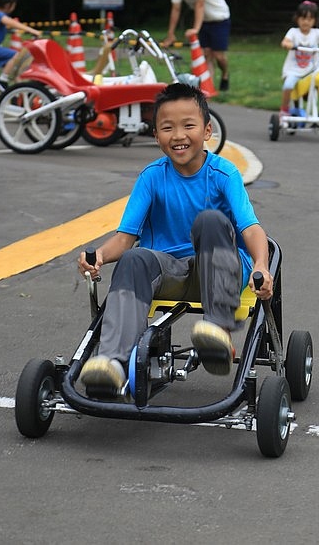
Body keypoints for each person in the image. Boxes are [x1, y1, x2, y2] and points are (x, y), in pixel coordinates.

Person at [78, 82, 273, 397]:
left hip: (219, 272)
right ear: (156, 136)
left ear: (207, 130)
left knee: (210, 221)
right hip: (168, 273)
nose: (178, 135)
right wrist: (99, 255)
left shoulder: (224, 174)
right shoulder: (152, 177)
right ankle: (112, 362)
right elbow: (125, 238)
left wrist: (261, 265)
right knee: (134, 258)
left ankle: (219, 333)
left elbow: (250, 228)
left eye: (188, 125)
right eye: (167, 127)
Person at [164, 0, 231, 91]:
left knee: (218, 56)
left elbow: (200, 4)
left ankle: (225, 73)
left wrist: (196, 29)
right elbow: (176, 9)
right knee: (204, 54)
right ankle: (207, 89)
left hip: (219, 18)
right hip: (204, 21)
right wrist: (171, 34)